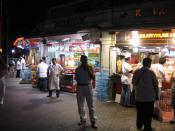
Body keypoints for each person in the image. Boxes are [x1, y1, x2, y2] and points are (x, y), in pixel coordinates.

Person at [132, 58, 159, 131]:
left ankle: (139, 125)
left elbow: (133, 82)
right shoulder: (151, 73)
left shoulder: (136, 72)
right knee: (148, 113)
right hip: (149, 97)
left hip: (139, 97)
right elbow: (156, 85)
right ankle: (147, 127)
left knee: (140, 112)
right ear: (149, 64)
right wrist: (156, 95)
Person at [75, 55, 97, 129]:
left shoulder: (90, 67)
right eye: (84, 60)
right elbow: (76, 78)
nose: (85, 61)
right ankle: (83, 119)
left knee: (91, 105)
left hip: (88, 87)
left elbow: (93, 78)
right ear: (81, 60)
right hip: (80, 87)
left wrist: (88, 70)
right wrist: (77, 88)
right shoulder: (77, 69)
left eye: (86, 60)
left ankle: (93, 121)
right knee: (80, 105)